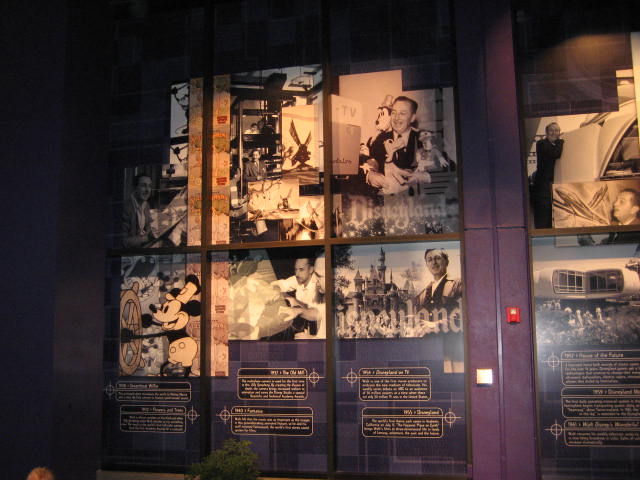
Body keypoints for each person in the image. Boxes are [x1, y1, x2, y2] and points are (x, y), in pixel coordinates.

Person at [363, 96, 430, 195]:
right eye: (394, 113)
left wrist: (424, 177)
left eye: (402, 113)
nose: (396, 118)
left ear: (412, 118)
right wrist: (370, 175)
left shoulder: (425, 138)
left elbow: (447, 169)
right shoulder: (380, 138)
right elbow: (371, 161)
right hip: (387, 198)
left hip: (418, 199)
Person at [263, 256, 324, 340]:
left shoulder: (319, 285)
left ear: (311, 270)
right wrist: (271, 289)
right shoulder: (299, 279)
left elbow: (316, 313)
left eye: (301, 270)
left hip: (316, 326)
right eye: (296, 270)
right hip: (302, 323)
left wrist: (294, 302)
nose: (297, 274)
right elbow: (283, 284)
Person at [530, 122, 564, 228]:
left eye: (556, 130)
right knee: (543, 212)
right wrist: (560, 142)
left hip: (553, 184)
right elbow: (555, 153)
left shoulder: (556, 145)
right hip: (542, 186)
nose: (554, 133)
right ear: (546, 132)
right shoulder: (541, 144)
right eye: (551, 130)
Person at [122, 173, 155, 248]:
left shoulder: (146, 204)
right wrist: (145, 238)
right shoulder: (126, 208)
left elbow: (149, 223)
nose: (147, 190)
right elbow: (124, 241)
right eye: (143, 185)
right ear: (135, 188)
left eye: (149, 186)